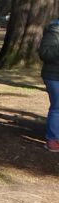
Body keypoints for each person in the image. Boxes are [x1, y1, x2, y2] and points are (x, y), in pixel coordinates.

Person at [38, 17, 59, 153]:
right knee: (58, 107)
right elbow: (45, 53)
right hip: (54, 76)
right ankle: (53, 140)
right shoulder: (54, 30)